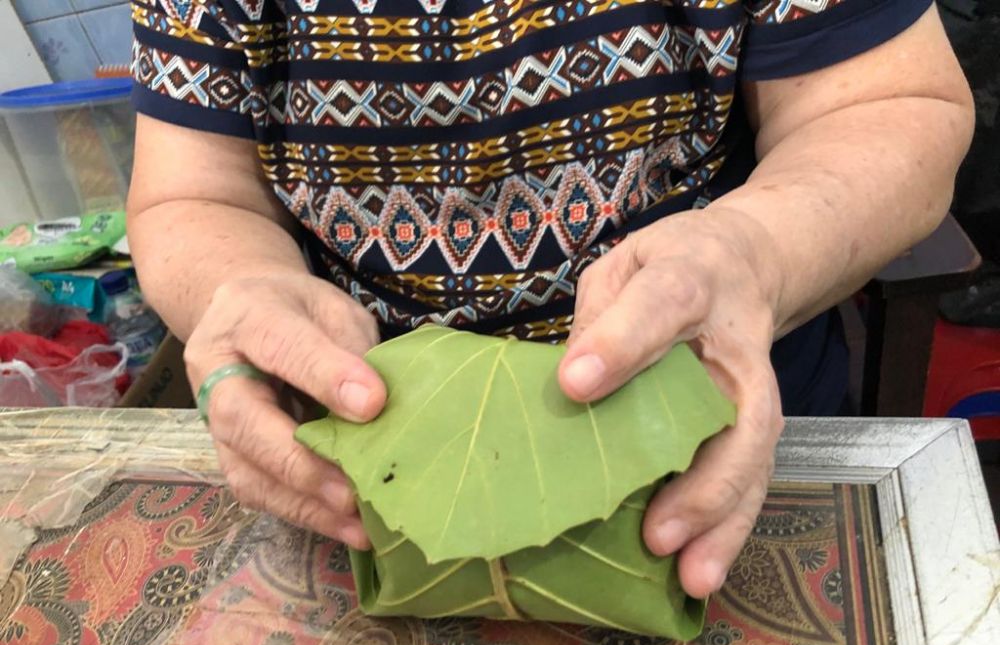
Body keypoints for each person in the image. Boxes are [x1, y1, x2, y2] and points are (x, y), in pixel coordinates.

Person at [127, 0, 973, 599]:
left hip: (713, 449)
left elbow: (890, 105)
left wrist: (753, 252)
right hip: (370, 486)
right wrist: (239, 289)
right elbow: (192, 194)